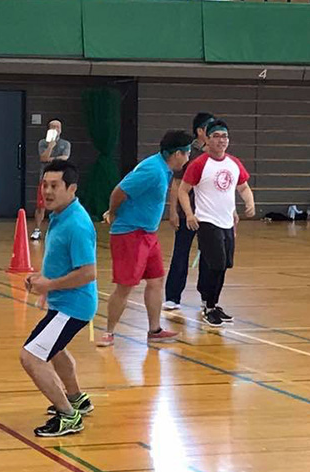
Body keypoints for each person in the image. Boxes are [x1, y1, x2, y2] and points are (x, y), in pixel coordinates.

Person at [21, 160, 96, 437]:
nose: (48, 191)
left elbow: (88, 272)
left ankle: (68, 415)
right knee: (54, 349)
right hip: (63, 302)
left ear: (71, 188)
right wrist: (42, 280)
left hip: (73, 306)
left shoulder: (77, 224)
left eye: (55, 186)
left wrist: (50, 285)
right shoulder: (60, 215)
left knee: (31, 356)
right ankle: (77, 399)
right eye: (45, 185)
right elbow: (61, 261)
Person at [99, 131, 193, 347]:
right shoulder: (152, 171)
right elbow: (119, 191)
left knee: (156, 280)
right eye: (187, 153)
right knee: (125, 286)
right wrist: (112, 213)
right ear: (178, 154)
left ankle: (155, 330)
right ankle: (109, 332)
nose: (188, 158)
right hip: (130, 234)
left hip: (149, 233)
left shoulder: (164, 169)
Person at [179, 119, 256, 328]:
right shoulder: (199, 164)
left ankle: (213, 303)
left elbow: (243, 187)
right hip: (207, 221)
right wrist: (189, 214)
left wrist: (249, 202)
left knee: (224, 265)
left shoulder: (234, 163)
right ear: (208, 139)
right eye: (216, 136)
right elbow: (183, 190)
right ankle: (209, 306)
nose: (221, 140)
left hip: (227, 222)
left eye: (224, 136)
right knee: (216, 264)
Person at [163, 112, 214, 311]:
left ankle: (207, 296)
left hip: (208, 214)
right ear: (200, 131)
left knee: (209, 256)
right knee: (180, 253)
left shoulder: (215, 154)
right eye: (209, 127)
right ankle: (173, 296)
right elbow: (176, 184)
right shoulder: (188, 153)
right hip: (187, 213)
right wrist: (173, 211)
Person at [32, 119, 71, 241]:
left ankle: (59, 230)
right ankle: (37, 230)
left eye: (57, 127)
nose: (55, 129)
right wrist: (50, 146)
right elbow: (43, 158)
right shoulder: (42, 143)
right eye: (53, 127)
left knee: (60, 205)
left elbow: (65, 158)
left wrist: (51, 159)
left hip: (60, 180)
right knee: (41, 206)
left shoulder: (66, 144)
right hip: (44, 179)